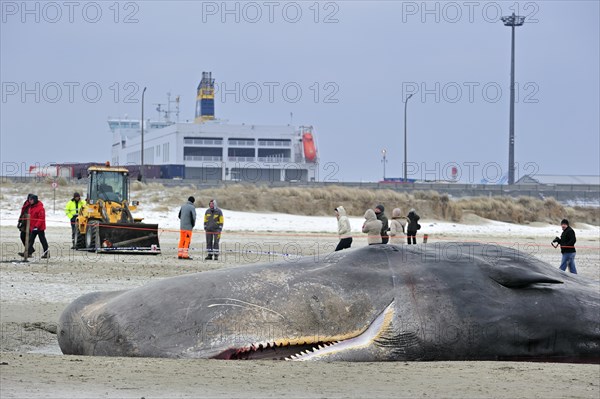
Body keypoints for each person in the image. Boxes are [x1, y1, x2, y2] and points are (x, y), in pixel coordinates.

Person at [20, 195, 49, 259]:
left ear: (35, 200)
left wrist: (36, 226)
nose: (30, 201)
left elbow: (41, 218)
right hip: (33, 227)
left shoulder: (40, 208)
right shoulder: (31, 207)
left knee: (42, 240)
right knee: (30, 240)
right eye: (29, 199)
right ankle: (28, 252)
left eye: (31, 200)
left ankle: (46, 253)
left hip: (39, 227)